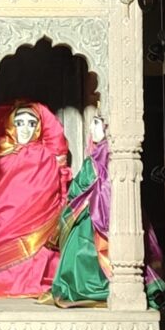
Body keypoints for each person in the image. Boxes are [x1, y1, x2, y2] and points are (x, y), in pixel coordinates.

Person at [0, 100, 71, 300]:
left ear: (39, 128)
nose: (25, 129)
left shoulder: (45, 157)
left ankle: (31, 281)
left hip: (36, 228)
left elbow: (47, 193)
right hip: (1, 226)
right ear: (10, 124)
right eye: (19, 122)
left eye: (32, 124)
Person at [52, 110, 112, 306]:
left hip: (93, 215)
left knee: (82, 251)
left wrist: (74, 197)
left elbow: (82, 184)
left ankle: (86, 289)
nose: (92, 129)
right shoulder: (103, 153)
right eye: (93, 123)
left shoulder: (98, 158)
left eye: (97, 123)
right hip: (94, 210)